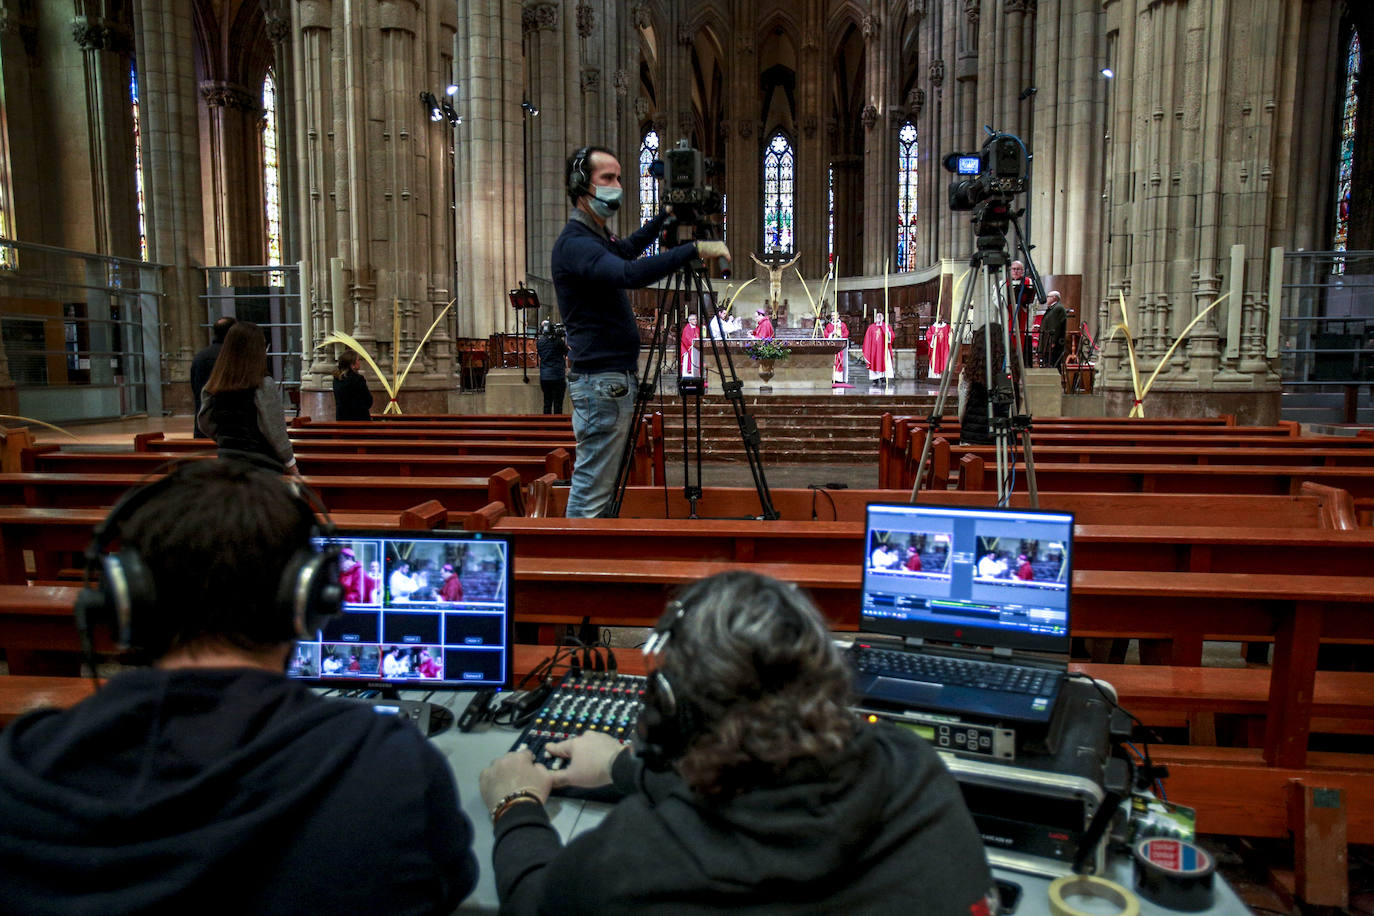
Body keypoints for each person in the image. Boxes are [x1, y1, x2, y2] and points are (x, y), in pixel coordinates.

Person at [0, 459, 478, 911]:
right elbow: (452, 883)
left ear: (128, 604)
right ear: (309, 599)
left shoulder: (21, 767)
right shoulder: (388, 765)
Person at [478, 571, 994, 914]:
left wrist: (516, 805)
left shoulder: (637, 858)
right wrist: (622, 769)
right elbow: (771, 795)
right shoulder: (916, 771)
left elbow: (535, 903)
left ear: (670, 714)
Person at [552, 144, 731, 518]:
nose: (616, 186)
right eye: (608, 178)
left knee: (600, 488)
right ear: (581, 184)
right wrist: (692, 249)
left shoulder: (596, 239)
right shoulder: (576, 244)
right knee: (591, 494)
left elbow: (628, 250)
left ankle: (591, 563)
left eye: (619, 178)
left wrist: (663, 218)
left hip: (608, 380)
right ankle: (577, 570)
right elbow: (630, 273)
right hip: (602, 382)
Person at [197, 321, 299, 474]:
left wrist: (227, 442)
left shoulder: (215, 385)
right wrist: (291, 464)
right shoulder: (263, 384)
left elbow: (204, 422)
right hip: (260, 466)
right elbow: (274, 430)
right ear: (256, 350)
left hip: (227, 463)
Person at [959, 324, 1012, 446]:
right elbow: (1011, 409)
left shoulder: (970, 372)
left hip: (972, 437)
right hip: (1000, 439)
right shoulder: (1008, 372)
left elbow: (962, 408)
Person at [190, 316, 235, 437]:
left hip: (203, 423)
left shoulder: (200, 356)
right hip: (228, 428)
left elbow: (195, 387)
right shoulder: (234, 357)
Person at [1006, 261, 1036, 369]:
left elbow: (1034, 300)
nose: (1015, 271)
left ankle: (1023, 367)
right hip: (1008, 317)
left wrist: (1024, 304)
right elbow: (997, 299)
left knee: (1023, 342)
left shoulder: (1029, 282)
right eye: (1013, 269)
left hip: (1023, 315)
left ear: (1023, 271)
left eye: (1018, 269)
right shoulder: (1003, 283)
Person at [536, 320, 569, 414]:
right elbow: (567, 352)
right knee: (558, 405)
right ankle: (558, 425)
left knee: (547, 403)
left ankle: (546, 426)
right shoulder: (558, 341)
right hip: (558, 376)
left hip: (545, 377)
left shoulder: (539, 342)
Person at [331, 351, 373, 421]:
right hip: (360, 420)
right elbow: (368, 401)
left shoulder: (337, 380)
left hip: (342, 420)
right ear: (352, 365)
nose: (359, 362)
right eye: (358, 360)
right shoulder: (358, 379)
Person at [862, 311, 895, 387]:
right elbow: (867, 339)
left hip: (883, 349)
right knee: (874, 362)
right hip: (873, 349)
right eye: (877, 316)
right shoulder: (871, 327)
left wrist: (887, 333)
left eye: (880, 316)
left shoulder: (886, 326)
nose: (879, 318)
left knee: (884, 362)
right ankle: (875, 379)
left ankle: (883, 378)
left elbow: (892, 337)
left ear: (883, 318)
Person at [1037, 290, 1068, 372]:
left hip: (1052, 343)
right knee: (1048, 363)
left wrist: (1053, 341)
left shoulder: (1058, 308)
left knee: (1053, 363)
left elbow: (1056, 326)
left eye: (1048, 297)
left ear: (1054, 298)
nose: (1047, 299)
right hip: (1047, 342)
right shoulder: (1052, 308)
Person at [824, 310, 849, 384]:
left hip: (840, 347)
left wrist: (839, 335)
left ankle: (839, 379)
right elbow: (825, 333)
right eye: (832, 316)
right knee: (832, 361)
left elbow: (846, 333)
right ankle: (832, 378)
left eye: (834, 315)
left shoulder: (843, 325)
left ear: (838, 316)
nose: (833, 317)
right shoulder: (829, 325)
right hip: (831, 346)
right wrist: (832, 334)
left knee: (839, 361)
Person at [680, 312, 701, 378]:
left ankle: (696, 373)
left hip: (695, 347)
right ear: (689, 321)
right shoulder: (687, 328)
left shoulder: (697, 328)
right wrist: (694, 343)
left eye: (696, 319)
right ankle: (689, 373)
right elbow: (687, 338)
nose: (695, 321)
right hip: (688, 348)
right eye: (694, 319)